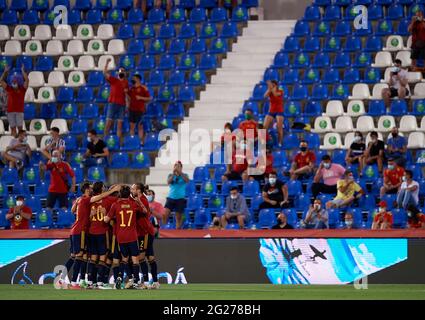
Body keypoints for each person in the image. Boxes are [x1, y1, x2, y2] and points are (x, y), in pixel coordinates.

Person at [104, 186, 142, 290]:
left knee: (124, 259)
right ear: (129, 194)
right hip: (132, 235)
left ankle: (120, 277)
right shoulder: (133, 204)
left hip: (120, 236)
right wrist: (138, 201)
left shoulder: (115, 205)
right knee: (135, 260)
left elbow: (106, 220)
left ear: (120, 194)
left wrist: (104, 215)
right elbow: (144, 211)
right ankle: (135, 282)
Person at [86, 182, 119, 289]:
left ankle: (91, 282)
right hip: (102, 232)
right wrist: (115, 190)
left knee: (93, 258)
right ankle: (100, 283)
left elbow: (86, 217)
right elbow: (120, 200)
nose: (105, 188)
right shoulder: (108, 200)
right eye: (104, 187)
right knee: (102, 258)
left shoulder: (90, 201)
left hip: (91, 232)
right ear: (101, 189)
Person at [131, 183, 160, 290]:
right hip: (142, 232)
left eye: (133, 188)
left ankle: (147, 282)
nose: (131, 190)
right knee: (150, 257)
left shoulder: (142, 199)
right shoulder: (138, 198)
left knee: (142, 258)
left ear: (138, 190)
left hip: (145, 232)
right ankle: (155, 282)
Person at [67, 182, 92, 289]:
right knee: (80, 255)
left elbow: (72, 211)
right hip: (80, 230)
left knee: (77, 256)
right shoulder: (87, 199)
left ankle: (61, 277)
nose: (92, 189)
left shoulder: (79, 199)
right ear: (87, 189)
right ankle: (73, 281)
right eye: (90, 188)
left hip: (74, 229)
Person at [103, 58, 129, 138]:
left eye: (123, 71)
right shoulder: (114, 80)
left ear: (125, 73)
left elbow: (127, 95)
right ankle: (104, 140)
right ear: (118, 72)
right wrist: (107, 62)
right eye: (120, 71)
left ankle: (118, 142)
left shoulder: (126, 83)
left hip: (122, 105)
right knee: (108, 123)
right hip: (113, 103)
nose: (122, 72)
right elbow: (104, 73)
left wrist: (127, 105)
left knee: (119, 125)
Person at [0, 65, 28, 137]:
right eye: (13, 81)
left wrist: (22, 71)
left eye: (15, 82)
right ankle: (13, 143)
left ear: (19, 82)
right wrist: (5, 72)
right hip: (10, 111)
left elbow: (27, 80)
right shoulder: (9, 89)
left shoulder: (23, 89)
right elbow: (1, 81)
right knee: (13, 129)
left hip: (19, 111)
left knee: (20, 129)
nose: (14, 83)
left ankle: (21, 142)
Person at [163, 161, 189, 229]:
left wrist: (180, 173)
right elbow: (168, 182)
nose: (176, 167)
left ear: (181, 168)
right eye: (175, 166)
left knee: (178, 217)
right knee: (165, 214)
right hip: (170, 198)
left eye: (178, 166)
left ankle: (177, 231)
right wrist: (174, 173)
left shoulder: (185, 175)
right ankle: (163, 229)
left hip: (180, 198)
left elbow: (187, 180)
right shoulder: (171, 175)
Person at [127, 74, 151, 145]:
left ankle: (141, 141)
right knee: (132, 126)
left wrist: (141, 98)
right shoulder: (131, 89)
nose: (132, 80)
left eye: (134, 78)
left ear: (138, 79)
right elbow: (128, 96)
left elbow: (149, 98)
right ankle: (132, 141)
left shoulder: (144, 88)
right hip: (131, 110)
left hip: (140, 110)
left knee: (140, 126)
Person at [263, 80, 284, 147]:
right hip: (271, 111)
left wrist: (271, 88)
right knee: (264, 127)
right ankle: (264, 142)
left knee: (279, 128)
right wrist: (269, 89)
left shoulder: (280, 91)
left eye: (273, 85)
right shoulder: (270, 91)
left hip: (279, 111)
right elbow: (264, 96)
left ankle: (280, 143)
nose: (272, 86)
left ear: (276, 85)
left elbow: (275, 95)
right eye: (272, 85)